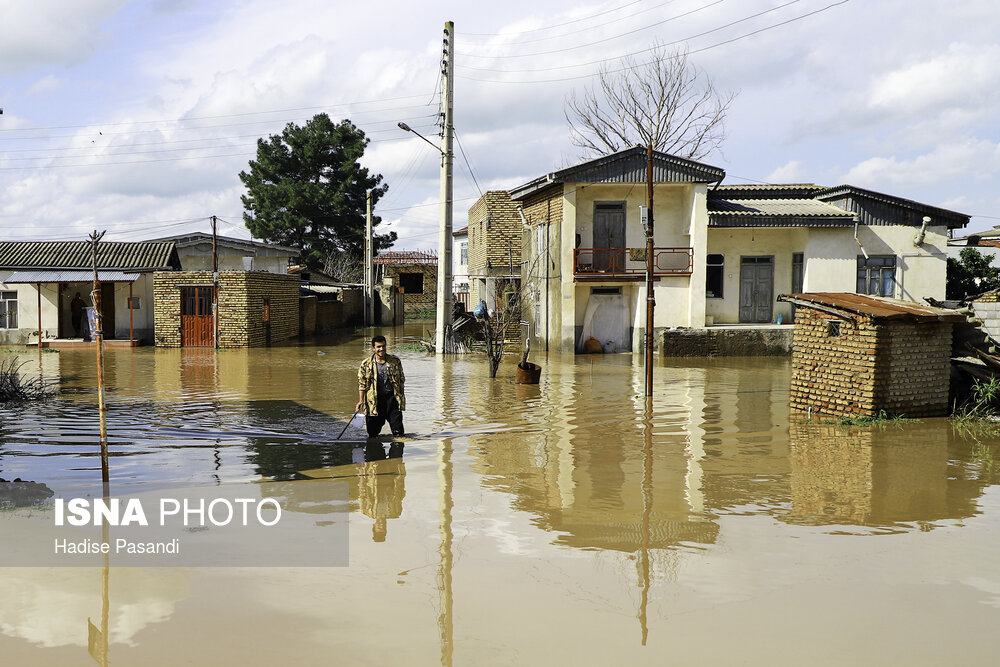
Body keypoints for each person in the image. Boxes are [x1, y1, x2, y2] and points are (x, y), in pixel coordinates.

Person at [356, 335, 405, 438]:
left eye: (383, 346)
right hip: (373, 402)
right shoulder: (365, 364)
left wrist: (401, 397)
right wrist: (360, 401)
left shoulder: (395, 361)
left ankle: (397, 453)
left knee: (398, 433)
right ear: (373, 348)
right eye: (378, 347)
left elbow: (401, 380)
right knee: (372, 434)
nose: (381, 349)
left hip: (392, 400)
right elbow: (362, 384)